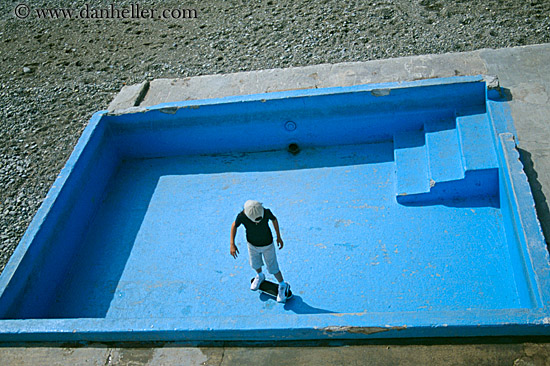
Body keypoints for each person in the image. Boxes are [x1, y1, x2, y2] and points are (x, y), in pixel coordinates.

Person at [230, 200, 291, 303]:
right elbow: (234, 225)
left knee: (273, 267)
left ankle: (282, 285)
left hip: (268, 245)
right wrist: (232, 243)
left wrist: (279, 236)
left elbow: (274, 220)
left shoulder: (266, 212)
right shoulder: (242, 216)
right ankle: (260, 276)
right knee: (255, 264)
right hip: (252, 245)